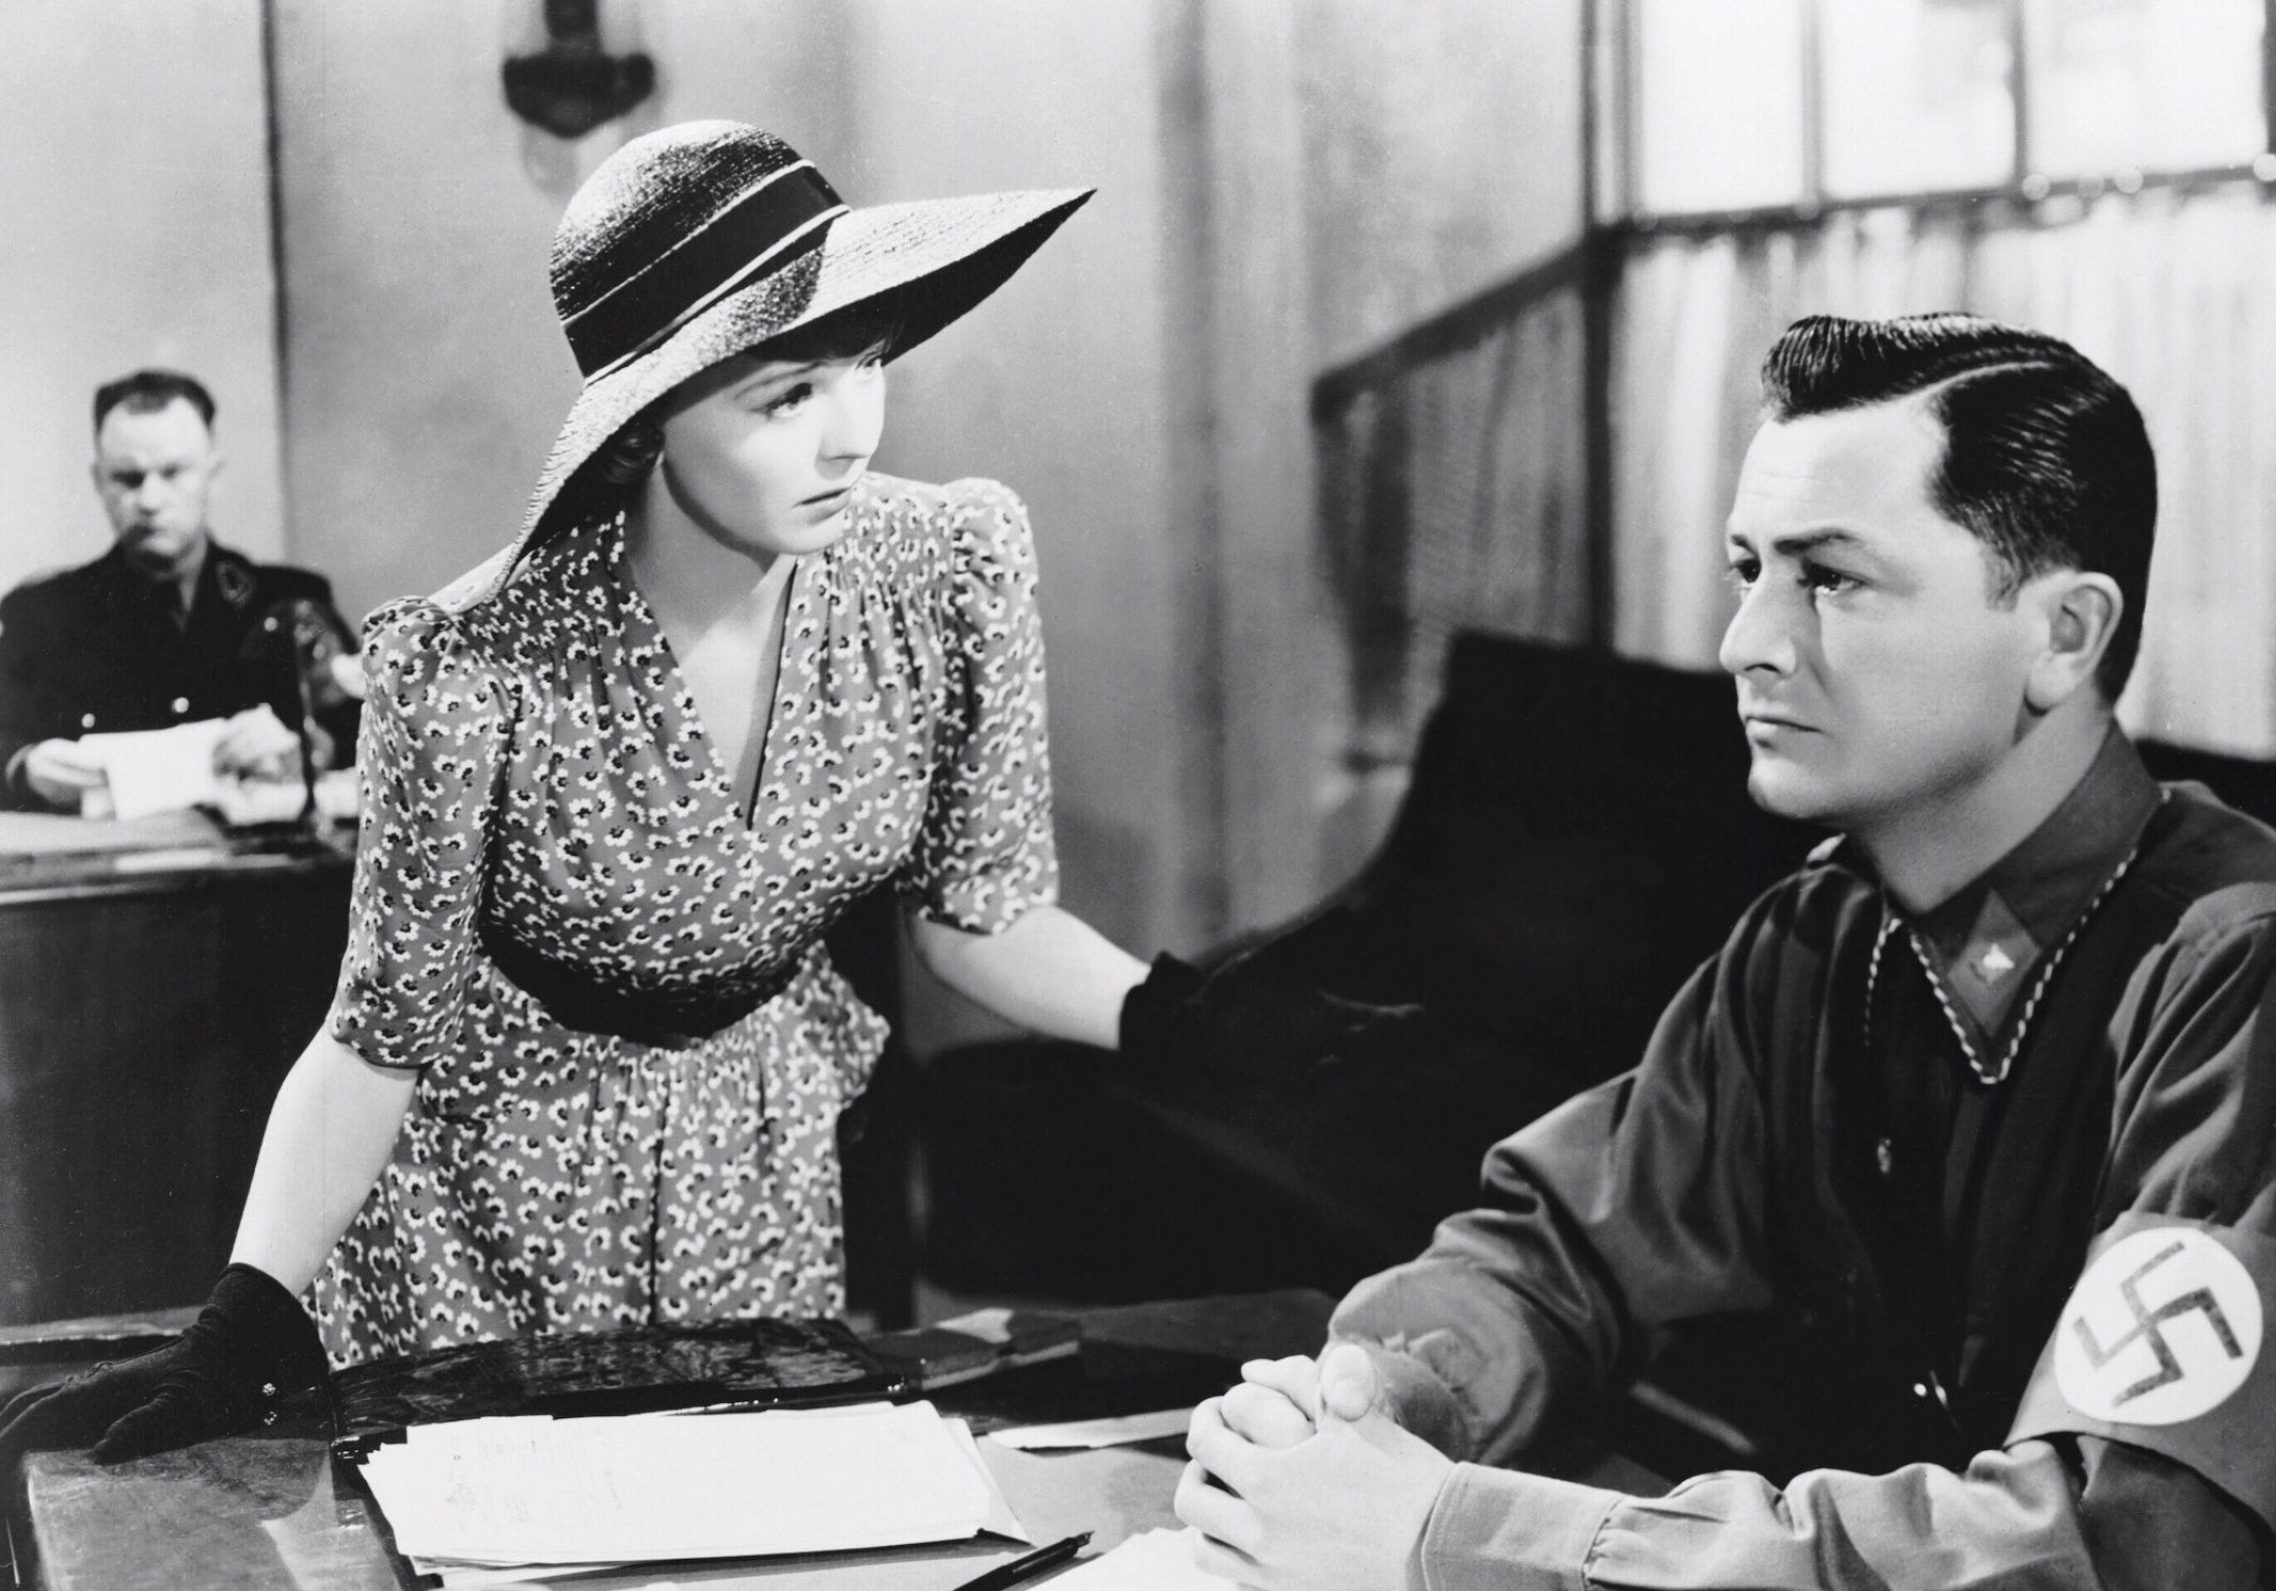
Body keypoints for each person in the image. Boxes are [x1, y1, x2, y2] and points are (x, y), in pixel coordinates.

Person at [1179, 313, 2276, 1591]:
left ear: (2063, 635)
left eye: (1831, 578)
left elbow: (2112, 1576)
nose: (1747, 642)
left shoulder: (2255, 972)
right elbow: (1558, 1250)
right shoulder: (1827, 934)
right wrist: (1391, 1394)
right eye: (1747, 570)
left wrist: (1459, 1535)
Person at [0, 121, 1376, 1471]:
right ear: (650, 417)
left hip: (754, 1159)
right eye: (786, 396)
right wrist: (247, 1312)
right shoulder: (475, 661)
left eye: (867, 365)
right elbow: (379, 1040)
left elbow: (980, 914)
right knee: (511, 1569)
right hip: (491, 1194)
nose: (850, 436)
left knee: (747, 1545)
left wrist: (1175, 1018)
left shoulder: (947, 564)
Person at [0, 370, 361, 812]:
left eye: (173, 473)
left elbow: (370, 737)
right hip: (111, 854)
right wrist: (25, 767)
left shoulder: (290, 601)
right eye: (128, 478)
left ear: (214, 475)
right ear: (99, 482)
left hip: (257, 855)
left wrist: (309, 749)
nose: (150, 500)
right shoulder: (41, 615)